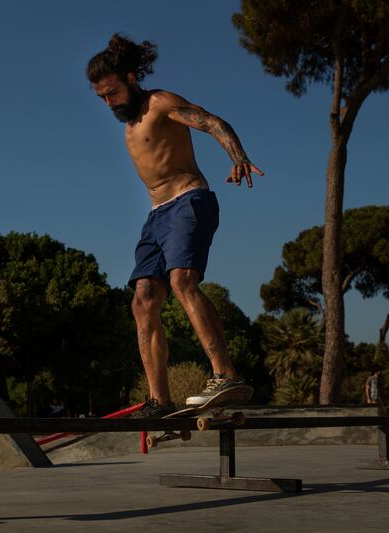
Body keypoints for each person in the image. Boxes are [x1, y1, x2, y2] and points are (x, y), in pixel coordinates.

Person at [86, 35, 262, 417]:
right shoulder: (128, 126)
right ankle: (158, 402)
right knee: (143, 299)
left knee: (182, 281)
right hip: (156, 216)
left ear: (132, 79)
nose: (107, 102)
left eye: (112, 92)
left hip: (189, 200)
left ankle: (226, 374)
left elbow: (212, 121)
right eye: (100, 97)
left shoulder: (160, 103)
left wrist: (238, 156)